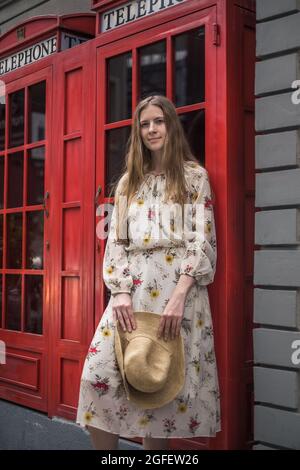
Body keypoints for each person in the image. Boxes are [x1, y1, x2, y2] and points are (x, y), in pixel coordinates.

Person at [76, 95, 221, 450]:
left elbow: (202, 240)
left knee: (161, 389)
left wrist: (180, 297)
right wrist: (120, 289)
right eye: (144, 124)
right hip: (131, 293)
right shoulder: (128, 183)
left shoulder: (193, 177)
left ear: (171, 126)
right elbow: (116, 242)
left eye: (159, 121)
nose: (152, 129)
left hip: (177, 295)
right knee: (96, 377)